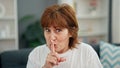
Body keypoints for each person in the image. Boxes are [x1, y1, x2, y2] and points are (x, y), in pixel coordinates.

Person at [26, 3, 103, 68]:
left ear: (71, 32)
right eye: (47, 30)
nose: (51, 38)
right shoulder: (36, 54)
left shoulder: (86, 52)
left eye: (58, 30)